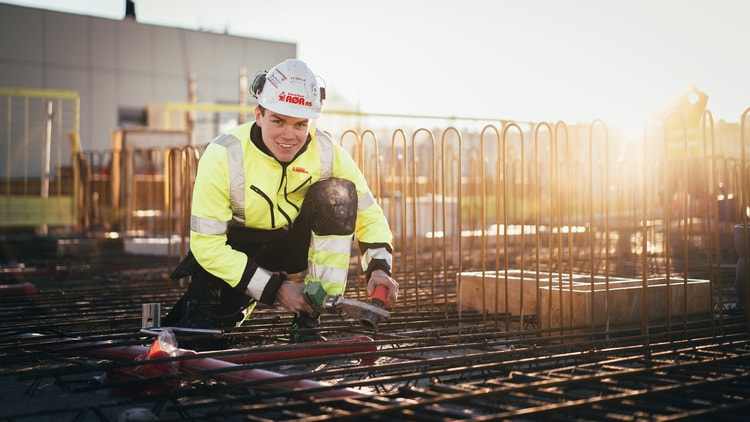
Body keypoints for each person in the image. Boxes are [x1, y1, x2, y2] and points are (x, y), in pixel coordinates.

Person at [163, 59, 398, 347]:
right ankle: (237, 301)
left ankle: (310, 314)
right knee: (198, 335)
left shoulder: (326, 152)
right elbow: (206, 245)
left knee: (339, 193)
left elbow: (367, 213)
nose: (289, 135)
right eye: (278, 120)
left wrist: (379, 269)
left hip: (292, 244)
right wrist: (274, 289)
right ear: (258, 114)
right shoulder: (224, 154)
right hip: (239, 248)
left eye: (300, 124)